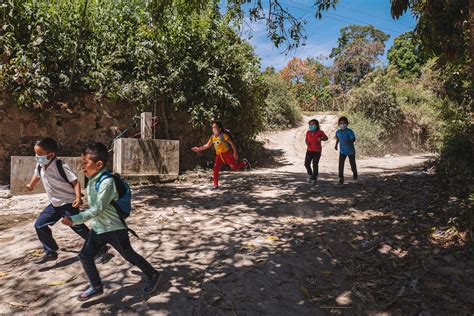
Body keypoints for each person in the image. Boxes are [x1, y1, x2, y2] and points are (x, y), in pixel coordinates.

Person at [62, 142, 161, 300]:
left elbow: (97, 209)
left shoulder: (107, 182)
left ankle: (153, 274)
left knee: (129, 255)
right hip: (99, 228)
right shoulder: (93, 179)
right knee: (85, 256)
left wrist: (74, 219)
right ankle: (96, 286)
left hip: (114, 229)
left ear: (99, 164)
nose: (82, 167)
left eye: (85, 163)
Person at [26, 138, 108, 264]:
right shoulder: (40, 165)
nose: (37, 156)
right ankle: (50, 251)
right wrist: (31, 185)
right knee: (39, 225)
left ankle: (100, 247)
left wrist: (77, 197)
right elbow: (36, 176)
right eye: (36, 153)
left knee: (77, 226)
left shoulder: (61, 166)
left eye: (40, 154)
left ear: (51, 154)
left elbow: (75, 182)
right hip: (55, 203)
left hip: (68, 202)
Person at [191, 121, 250, 189]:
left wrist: (235, 152)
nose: (213, 129)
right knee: (215, 169)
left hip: (226, 154)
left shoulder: (223, 135)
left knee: (235, 168)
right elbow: (207, 145)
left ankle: (244, 163)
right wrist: (198, 149)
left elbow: (232, 144)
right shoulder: (212, 137)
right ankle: (215, 185)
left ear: (219, 129)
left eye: (215, 127)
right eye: (212, 128)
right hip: (219, 156)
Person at [335, 116, 358, 184]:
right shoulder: (338, 132)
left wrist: (349, 141)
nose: (342, 124)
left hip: (351, 151)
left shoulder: (349, 131)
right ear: (339, 124)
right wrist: (336, 145)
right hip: (342, 151)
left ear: (347, 124)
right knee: (341, 164)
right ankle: (341, 177)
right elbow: (338, 139)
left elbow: (354, 139)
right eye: (341, 123)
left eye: (344, 123)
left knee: (352, 164)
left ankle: (355, 173)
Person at [304, 119, 328, 184]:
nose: (311, 126)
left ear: (317, 125)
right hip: (309, 150)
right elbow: (306, 140)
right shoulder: (308, 132)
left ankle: (314, 178)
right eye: (310, 124)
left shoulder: (320, 132)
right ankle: (310, 175)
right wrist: (307, 143)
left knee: (315, 164)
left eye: (313, 124)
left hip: (317, 151)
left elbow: (326, 138)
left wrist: (321, 138)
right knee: (306, 163)